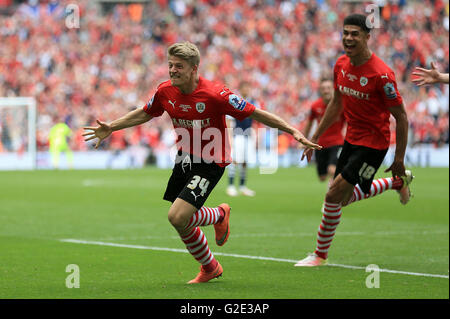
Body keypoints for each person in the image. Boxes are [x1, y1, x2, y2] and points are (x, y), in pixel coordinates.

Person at [83, 42, 321, 283]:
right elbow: (146, 112)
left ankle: (218, 216)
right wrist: (111, 126)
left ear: (194, 69)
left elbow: (256, 112)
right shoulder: (165, 91)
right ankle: (210, 265)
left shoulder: (217, 94)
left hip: (211, 160)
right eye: (170, 65)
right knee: (180, 221)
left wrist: (293, 131)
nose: (172, 70)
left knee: (177, 217)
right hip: (185, 158)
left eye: (179, 66)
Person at [295, 14, 414, 267]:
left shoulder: (382, 75)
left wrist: (399, 159)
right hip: (351, 139)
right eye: (345, 33)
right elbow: (336, 104)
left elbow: (401, 118)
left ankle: (319, 255)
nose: (348, 38)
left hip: (374, 144)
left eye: (355, 34)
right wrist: (314, 137)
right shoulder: (340, 64)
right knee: (343, 198)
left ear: (367, 37)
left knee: (333, 195)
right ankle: (395, 183)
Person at [303, 76, 345, 185]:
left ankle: (333, 196)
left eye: (328, 87)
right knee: (322, 177)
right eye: (323, 88)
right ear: (320, 90)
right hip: (320, 145)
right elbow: (309, 123)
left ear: (333, 89)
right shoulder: (315, 106)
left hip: (337, 143)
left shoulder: (341, 105)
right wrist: (303, 139)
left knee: (332, 170)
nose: (326, 90)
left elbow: (350, 122)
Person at [226, 81, 258, 197]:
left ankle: (242, 186)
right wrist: (229, 136)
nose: (247, 90)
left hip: (248, 135)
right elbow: (229, 120)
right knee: (235, 160)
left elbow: (255, 121)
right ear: (241, 89)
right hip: (237, 134)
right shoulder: (235, 102)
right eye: (245, 88)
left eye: (248, 88)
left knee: (245, 161)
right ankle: (230, 186)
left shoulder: (254, 102)